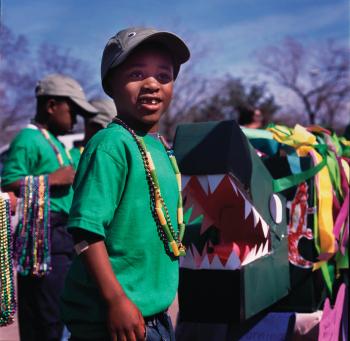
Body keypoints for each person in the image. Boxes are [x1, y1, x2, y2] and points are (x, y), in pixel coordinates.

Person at [61, 27, 190, 341]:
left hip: (153, 317)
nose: (151, 84)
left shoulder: (159, 147)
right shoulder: (111, 145)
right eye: (136, 73)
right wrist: (116, 299)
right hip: (112, 321)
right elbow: (85, 232)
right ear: (111, 84)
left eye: (164, 75)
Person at [1, 74, 97, 341]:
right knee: (47, 315)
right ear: (51, 105)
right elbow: (8, 182)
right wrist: (50, 180)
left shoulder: (55, 141)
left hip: (63, 234)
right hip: (43, 235)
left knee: (60, 310)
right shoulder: (27, 139)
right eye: (72, 111)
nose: (76, 120)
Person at [70, 98, 117, 168]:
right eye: (105, 131)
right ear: (91, 126)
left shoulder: (114, 155)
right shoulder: (71, 159)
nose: (110, 136)